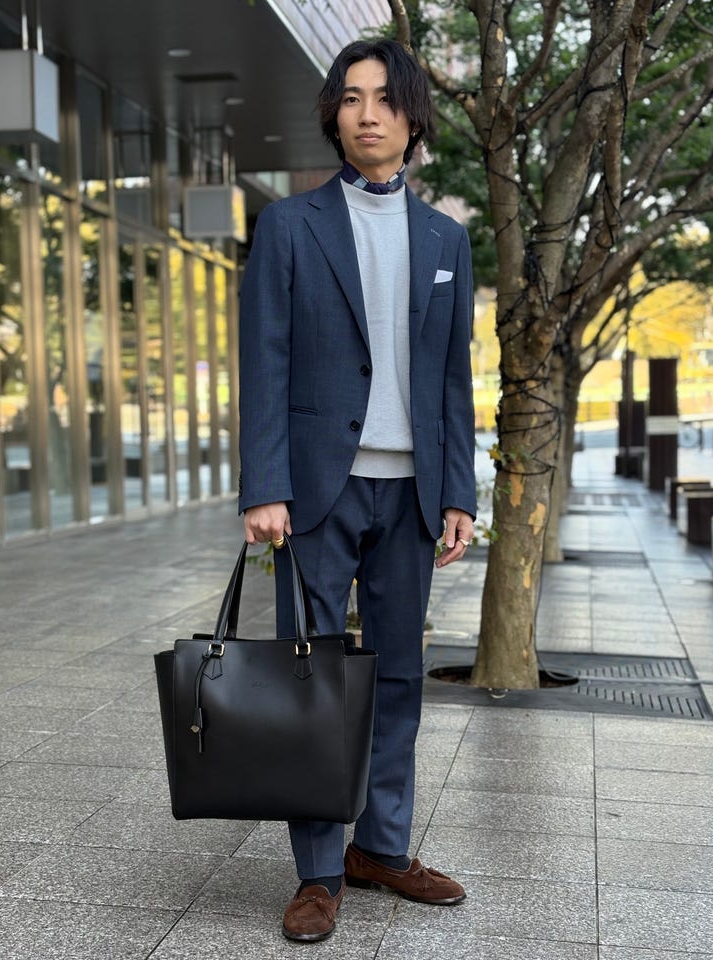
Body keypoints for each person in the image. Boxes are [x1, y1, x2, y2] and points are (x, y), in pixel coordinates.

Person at [238, 38, 477, 943]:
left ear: (413, 118)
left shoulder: (445, 238)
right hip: (315, 492)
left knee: (400, 674)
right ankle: (318, 871)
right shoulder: (289, 226)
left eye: (384, 98)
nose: (366, 113)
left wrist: (459, 493)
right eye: (350, 97)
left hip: (411, 494)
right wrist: (265, 485)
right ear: (333, 115)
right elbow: (264, 361)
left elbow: (452, 379)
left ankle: (381, 846)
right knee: (311, 678)